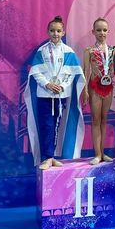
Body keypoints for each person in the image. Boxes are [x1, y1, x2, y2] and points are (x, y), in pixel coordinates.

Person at [24, 15, 86, 170]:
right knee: (46, 125)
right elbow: (36, 72)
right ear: (48, 32)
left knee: (57, 125)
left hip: (60, 95)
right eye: (52, 31)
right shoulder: (42, 51)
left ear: (63, 32)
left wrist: (62, 86)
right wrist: (47, 84)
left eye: (58, 31)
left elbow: (72, 74)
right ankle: (47, 157)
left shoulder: (69, 52)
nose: (55, 34)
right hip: (44, 94)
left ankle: (52, 157)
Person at [83, 17, 115, 165]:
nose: (102, 33)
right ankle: (97, 154)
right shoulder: (89, 51)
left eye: (104, 30)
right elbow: (86, 71)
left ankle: (103, 153)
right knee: (95, 120)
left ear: (108, 31)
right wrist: (85, 90)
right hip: (94, 87)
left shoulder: (113, 51)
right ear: (93, 32)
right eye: (98, 30)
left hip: (108, 88)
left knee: (104, 120)